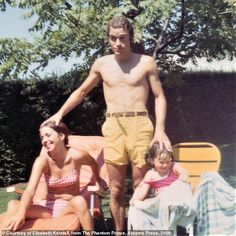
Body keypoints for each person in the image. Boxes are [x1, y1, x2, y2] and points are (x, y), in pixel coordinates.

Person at [42, 15, 172, 230]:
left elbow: (159, 96)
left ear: (130, 37)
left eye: (122, 38)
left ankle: (139, 231)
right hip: (113, 128)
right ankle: (120, 232)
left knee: (141, 185)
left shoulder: (146, 62)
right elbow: (82, 91)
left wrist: (160, 130)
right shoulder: (102, 64)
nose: (118, 43)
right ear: (108, 39)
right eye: (113, 38)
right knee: (117, 188)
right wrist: (60, 113)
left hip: (140, 126)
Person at [0, 121, 105, 232]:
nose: (44, 140)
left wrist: (98, 179)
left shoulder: (77, 156)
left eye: (48, 135)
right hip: (46, 209)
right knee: (13, 204)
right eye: (42, 137)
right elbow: (30, 190)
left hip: (68, 206)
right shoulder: (42, 161)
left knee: (79, 200)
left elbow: (93, 163)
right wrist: (20, 214)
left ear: (61, 136)